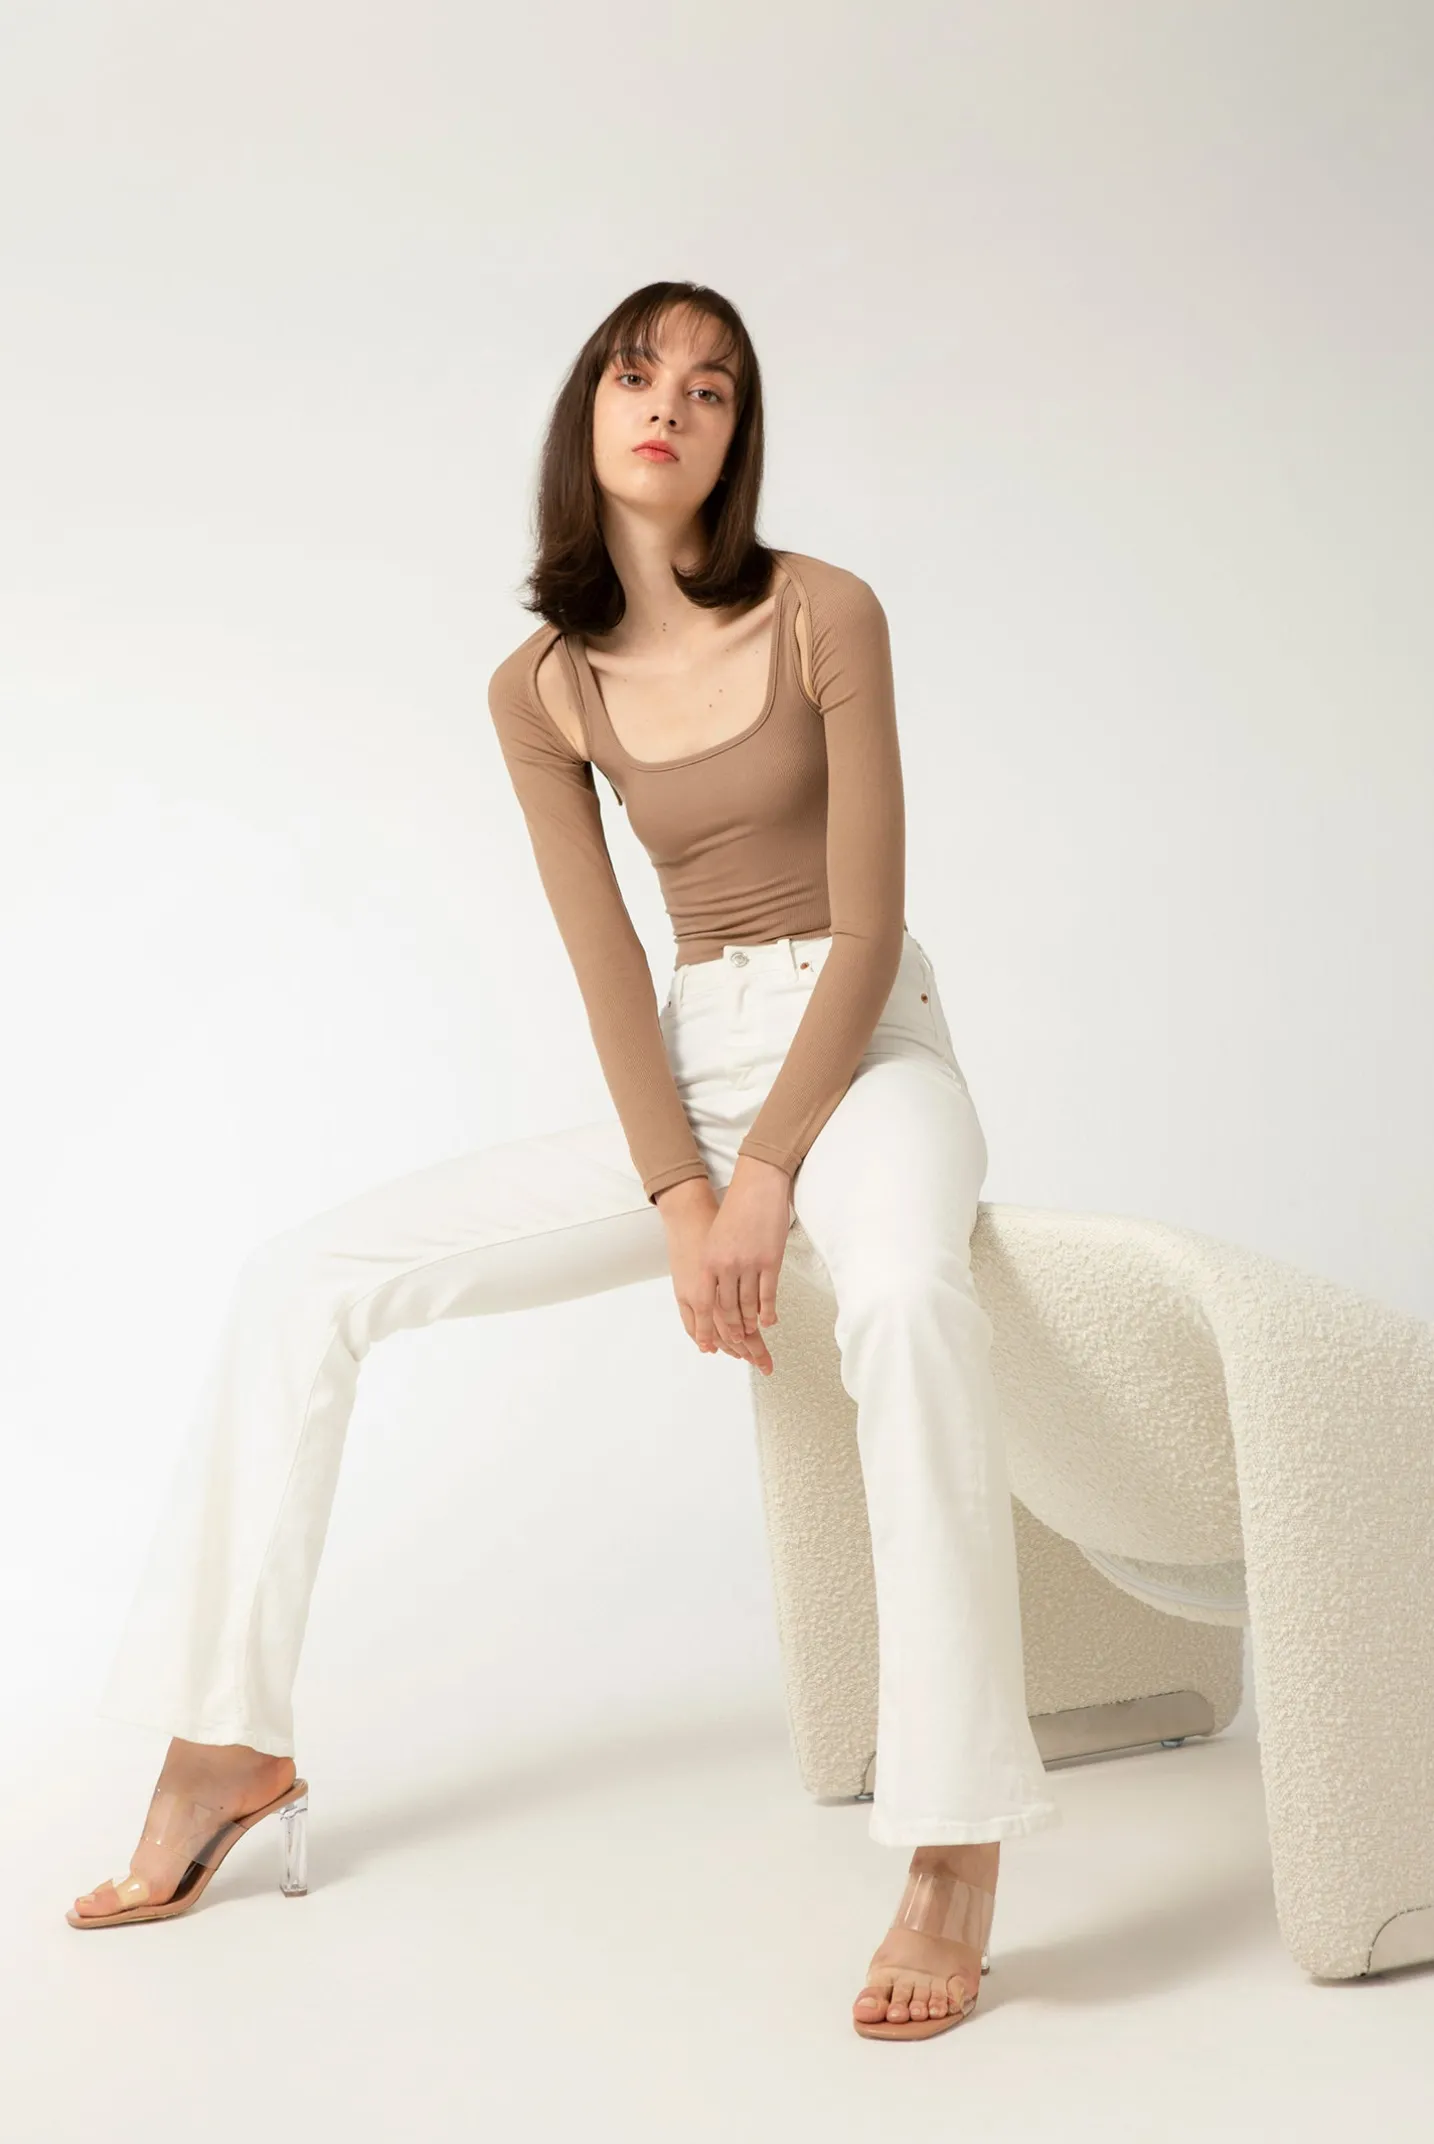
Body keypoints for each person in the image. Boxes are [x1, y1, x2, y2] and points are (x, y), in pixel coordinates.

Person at [68, 279, 1061, 2039]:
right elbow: (606, 960)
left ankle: (952, 1839)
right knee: (304, 1282)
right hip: (691, 1065)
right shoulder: (541, 687)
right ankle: (225, 1744)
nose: (669, 403)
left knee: (905, 1300)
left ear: (739, 438)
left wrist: (767, 1178)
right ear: (589, 410)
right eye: (636, 372)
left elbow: (867, 922)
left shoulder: (825, 611)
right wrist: (682, 1191)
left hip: (868, 1050)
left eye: (711, 387)